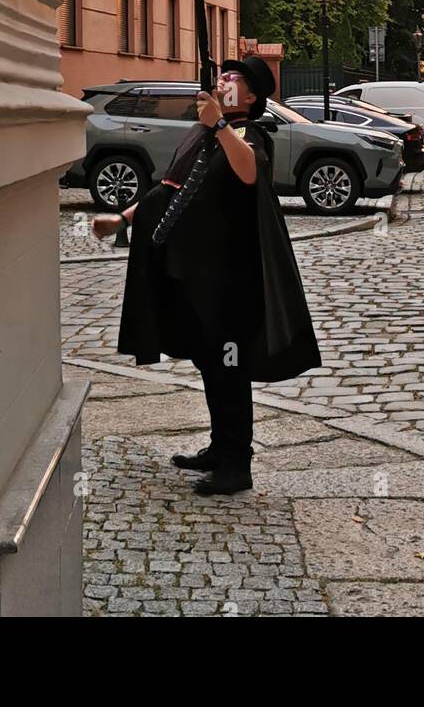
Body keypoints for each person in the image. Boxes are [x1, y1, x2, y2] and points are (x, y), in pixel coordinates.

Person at [92, 55, 321, 495]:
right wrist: (123, 219)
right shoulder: (202, 136)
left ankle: (238, 464)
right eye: (222, 75)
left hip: (229, 276)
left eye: (232, 78)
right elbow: (171, 189)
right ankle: (220, 447)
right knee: (210, 362)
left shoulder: (249, 133)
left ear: (252, 96)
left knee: (229, 365)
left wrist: (219, 125)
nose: (223, 81)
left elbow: (249, 171)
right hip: (194, 270)